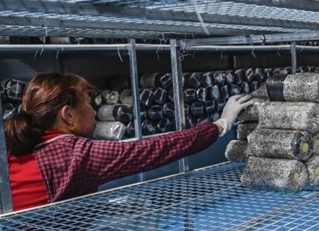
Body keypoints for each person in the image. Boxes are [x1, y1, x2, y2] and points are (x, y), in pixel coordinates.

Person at [4, 72, 253, 211]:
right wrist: (220, 125)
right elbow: (154, 149)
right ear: (68, 115)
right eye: (89, 103)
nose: (93, 111)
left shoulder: (16, 147)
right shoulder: (74, 155)